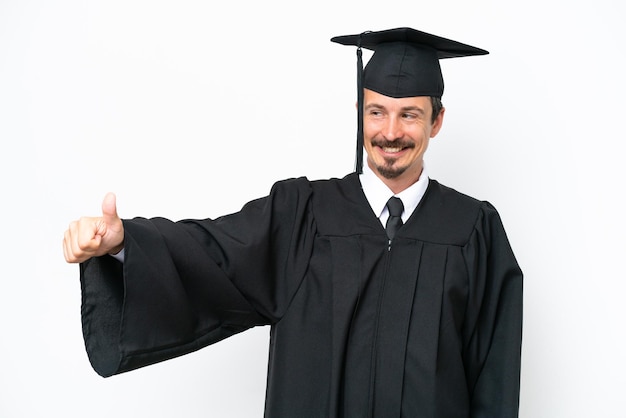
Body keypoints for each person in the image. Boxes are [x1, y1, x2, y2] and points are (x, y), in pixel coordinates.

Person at [63, 27, 523, 417]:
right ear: (360, 113)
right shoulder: (303, 213)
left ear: (436, 121)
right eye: (376, 111)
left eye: (410, 115)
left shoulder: (473, 231)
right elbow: (212, 252)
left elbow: (494, 378)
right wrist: (124, 245)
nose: (390, 132)